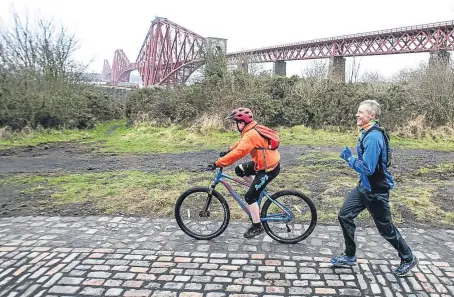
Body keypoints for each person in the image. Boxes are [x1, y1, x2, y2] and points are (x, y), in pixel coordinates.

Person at [331, 99, 418, 277]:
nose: (357, 114)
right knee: (344, 215)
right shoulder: (367, 132)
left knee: (386, 230)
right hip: (364, 187)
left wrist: (349, 159)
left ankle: (408, 258)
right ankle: (349, 255)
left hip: (376, 192)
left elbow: (368, 169)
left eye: (361, 112)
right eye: (357, 111)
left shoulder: (373, 137)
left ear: (372, 115)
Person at [209, 107, 281, 239]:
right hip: (264, 163)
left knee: (249, 197)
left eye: (236, 123)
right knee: (239, 170)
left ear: (241, 123)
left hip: (268, 169)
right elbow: (241, 144)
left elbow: (239, 153)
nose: (235, 125)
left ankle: (257, 226)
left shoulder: (250, 134)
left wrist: (218, 163)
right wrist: (228, 150)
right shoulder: (251, 129)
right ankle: (257, 189)